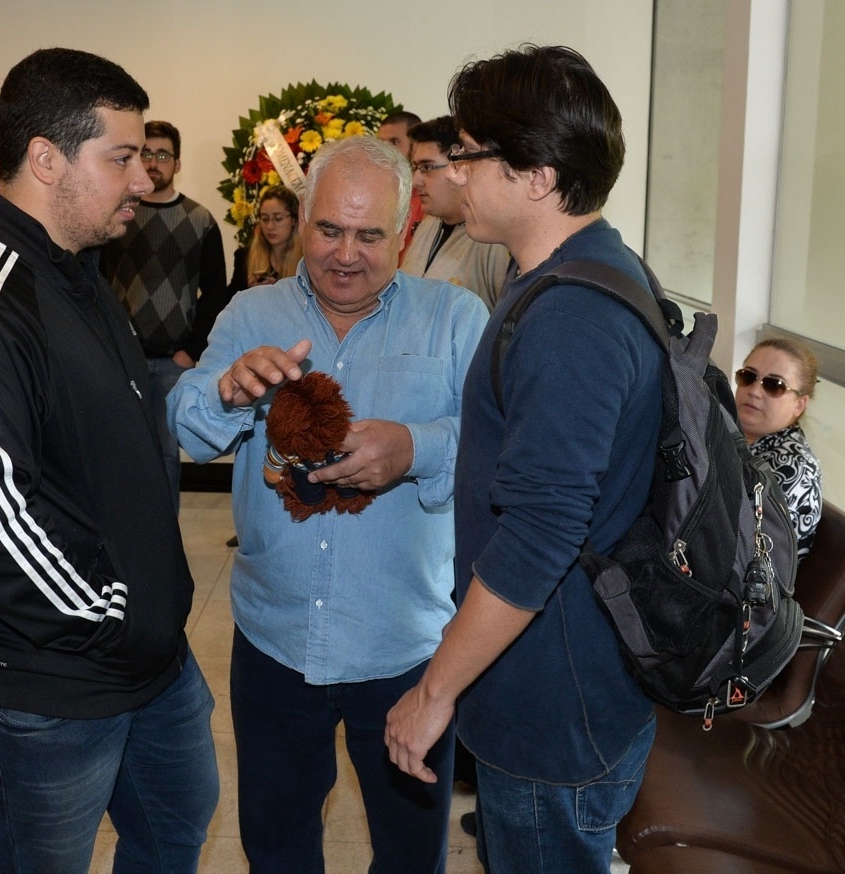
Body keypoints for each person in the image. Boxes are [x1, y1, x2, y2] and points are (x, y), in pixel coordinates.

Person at [0, 48, 218, 874]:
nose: (143, 180)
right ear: (46, 158)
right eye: (121, 158)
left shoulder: (77, 270)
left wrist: (151, 618)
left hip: (147, 662)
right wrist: (114, 613)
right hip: (38, 683)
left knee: (173, 835)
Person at [169, 134, 489, 873]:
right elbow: (185, 423)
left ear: (404, 231)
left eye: (369, 235)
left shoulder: (455, 318)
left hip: (404, 647)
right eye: (330, 230)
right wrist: (225, 391)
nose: (346, 254)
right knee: (277, 847)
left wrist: (415, 447)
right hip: (274, 639)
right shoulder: (251, 314)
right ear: (303, 221)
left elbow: (499, 447)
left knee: (410, 854)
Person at [385, 45, 664, 874]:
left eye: (470, 155)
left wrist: (434, 691)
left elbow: (540, 533)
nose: (454, 174)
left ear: (537, 177)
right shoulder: (585, 269)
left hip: (555, 698)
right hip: (564, 674)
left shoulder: (571, 316)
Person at [101, 119, 228, 511]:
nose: (153, 163)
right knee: (115, 451)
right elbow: (96, 282)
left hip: (174, 361)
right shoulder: (117, 214)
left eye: (162, 155)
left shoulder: (200, 220)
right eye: (146, 153)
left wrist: (192, 350)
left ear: (177, 163)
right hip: (121, 358)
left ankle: (163, 537)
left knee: (166, 456)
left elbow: (216, 293)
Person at [404, 116, 510, 310]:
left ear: (459, 164)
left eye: (427, 167)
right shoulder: (428, 223)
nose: (416, 181)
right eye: (415, 167)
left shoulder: (492, 240)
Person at [735, 337, 822, 559]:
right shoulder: (726, 432)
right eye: (748, 376)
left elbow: (743, 552)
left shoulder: (793, 468)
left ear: (799, 405)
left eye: (774, 385)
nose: (755, 391)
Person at [227, 184, 302, 292]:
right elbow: (228, 300)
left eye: (278, 219)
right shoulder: (244, 257)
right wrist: (250, 293)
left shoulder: (307, 259)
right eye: (265, 219)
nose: (270, 226)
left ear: (294, 220)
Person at [377, 110, 423, 257]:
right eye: (381, 143)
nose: (385, 150)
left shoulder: (426, 196)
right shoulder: (375, 192)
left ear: (415, 145)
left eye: (394, 142)